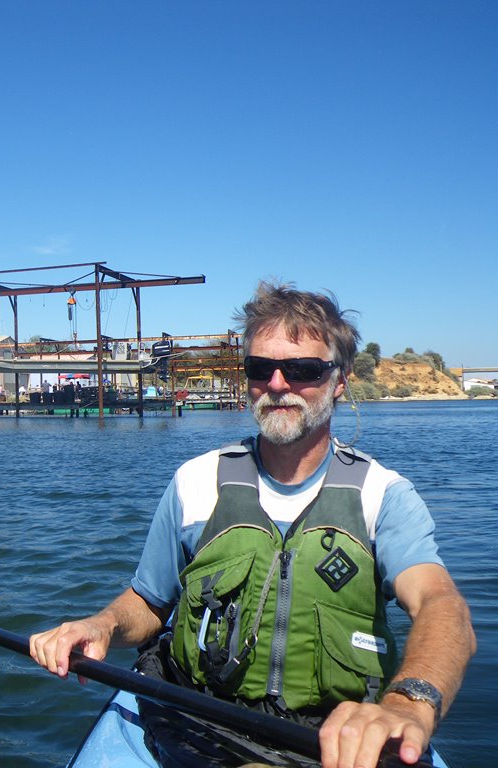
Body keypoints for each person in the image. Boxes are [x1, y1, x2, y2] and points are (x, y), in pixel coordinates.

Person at [29, 282, 474, 768]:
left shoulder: (383, 497)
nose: (278, 384)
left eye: (303, 370)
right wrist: (102, 624)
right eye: (261, 369)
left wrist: (408, 703)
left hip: (334, 743)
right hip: (189, 724)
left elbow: (441, 604)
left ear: (340, 380)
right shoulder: (194, 483)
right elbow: (150, 602)